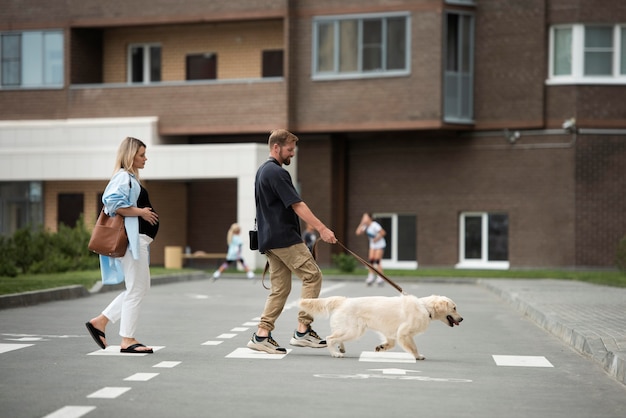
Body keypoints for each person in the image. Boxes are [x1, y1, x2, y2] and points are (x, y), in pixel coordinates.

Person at [247, 129, 337, 354]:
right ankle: (303, 330)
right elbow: (297, 205)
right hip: (284, 237)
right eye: (289, 149)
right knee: (312, 276)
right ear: (276, 148)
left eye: (293, 149)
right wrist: (322, 229)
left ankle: (261, 335)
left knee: (280, 289)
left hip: (269, 239)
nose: (292, 154)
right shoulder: (276, 173)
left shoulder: (262, 171)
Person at [85, 137, 159, 354]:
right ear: (130, 155)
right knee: (136, 289)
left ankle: (101, 321)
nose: (145, 158)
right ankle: (127, 339)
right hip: (130, 242)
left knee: (139, 288)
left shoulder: (129, 178)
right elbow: (112, 204)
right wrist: (141, 212)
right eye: (141, 154)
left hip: (139, 242)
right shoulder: (122, 177)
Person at [355, 212, 386, 286]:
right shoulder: (365, 226)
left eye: (365, 217)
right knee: (371, 261)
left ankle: (380, 277)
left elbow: (383, 233)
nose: (364, 219)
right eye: (363, 217)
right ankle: (371, 277)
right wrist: (361, 224)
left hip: (380, 244)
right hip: (373, 245)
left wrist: (376, 239)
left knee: (377, 261)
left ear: (370, 218)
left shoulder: (374, 225)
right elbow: (358, 233)